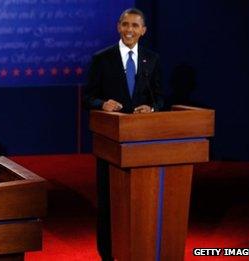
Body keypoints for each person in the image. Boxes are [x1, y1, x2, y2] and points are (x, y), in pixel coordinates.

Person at [82, 8, 164, 261]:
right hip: (111, 142)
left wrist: (151, 108)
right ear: (118, 27)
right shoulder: (102, 58)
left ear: (143, 30)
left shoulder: (152, 59)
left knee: (141, 202)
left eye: (135, 26)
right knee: (109, 202)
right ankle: (107, 254)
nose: (129, 30)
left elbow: (159, 97)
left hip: (141, 143)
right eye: (125, 25)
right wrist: (101, 103)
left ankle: (139, 250)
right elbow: (88, 97)